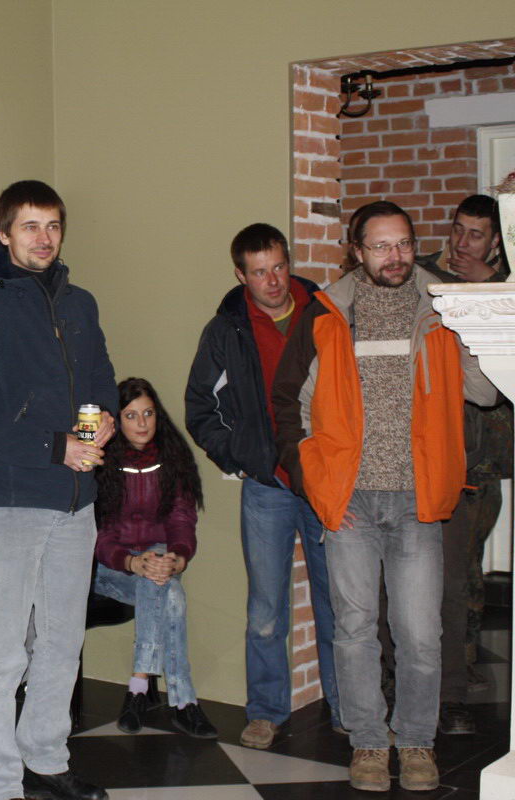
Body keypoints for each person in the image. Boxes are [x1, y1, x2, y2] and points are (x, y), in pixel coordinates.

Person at [273, 200, 496, 793]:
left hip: (419, 501)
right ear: (356, 251)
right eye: (381, 246)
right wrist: (316, 482)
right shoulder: (326, 313)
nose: (395, 256)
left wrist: (472, 328)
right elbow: (289, 403)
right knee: (354, 630)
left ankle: (417, 741)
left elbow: (483, 392)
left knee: (420, 633)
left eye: (404, 244)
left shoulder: (440, 306)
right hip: (350, 501)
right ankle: (369, 742)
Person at [0, 180, 117, 800]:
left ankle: (45, 756)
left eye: (53, 226)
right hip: (12, 499)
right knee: (6, 650)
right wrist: (53, 447)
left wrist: (103, 421)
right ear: (4, 235)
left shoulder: (80, 305)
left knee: (63, 642)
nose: (44, 238)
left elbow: (101, 380)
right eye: (30, 226)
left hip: (76, 500)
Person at [184, 223, 341, 749]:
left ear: (288, 262)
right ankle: (266, 711)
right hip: (267, 486)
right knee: (266, 611)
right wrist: (243, 459)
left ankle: (346, 708)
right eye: (258, 272)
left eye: (278, 267)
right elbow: (200, 407)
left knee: (338, 604)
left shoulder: (326, 313)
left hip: (324, 482)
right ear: (240, 275)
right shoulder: (226, 330)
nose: (272, 281)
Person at [414, 194, 512, 735]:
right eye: (458, 230)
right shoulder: (425, 274)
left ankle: (463, 667)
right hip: (431, 449)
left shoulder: (505, 286)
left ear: (495, 243)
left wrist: (485, 287)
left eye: (476, 234)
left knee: (465, 570)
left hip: (484, 456)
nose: (462, 242)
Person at [95, 378, 215, 739]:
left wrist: (178, 558)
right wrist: (132, 562)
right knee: (167, 592)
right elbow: (100, 535)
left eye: (148, 413)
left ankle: (138, 689)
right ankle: (181, 701)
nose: (142, 423)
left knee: (164, 587)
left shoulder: (171, 458)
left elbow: (181, 519)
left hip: (159, 561)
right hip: (110, 567)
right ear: (116, 420)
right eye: (131, 416)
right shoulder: (100, 462)